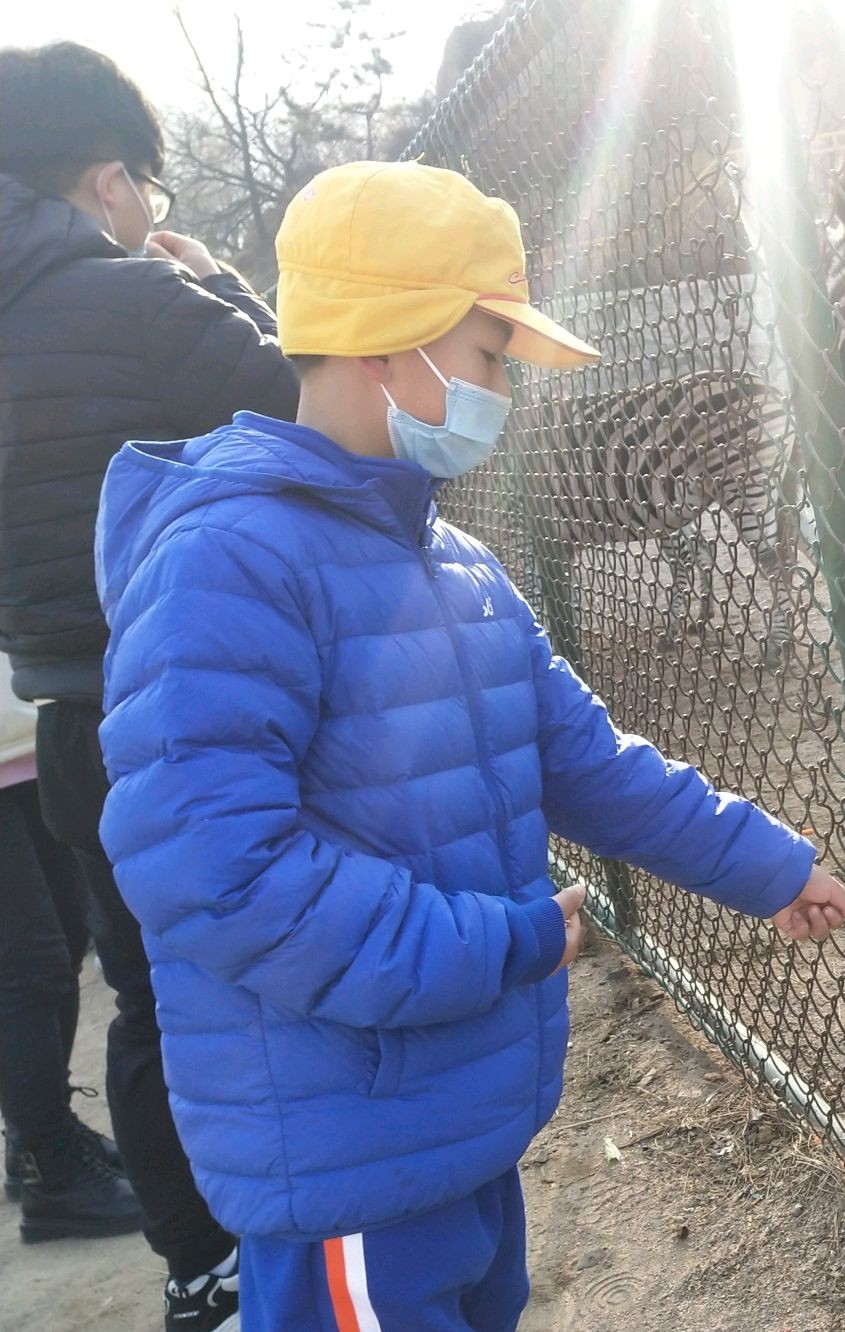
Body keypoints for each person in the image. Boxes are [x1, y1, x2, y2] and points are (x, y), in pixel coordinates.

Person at [92, 158, 845, 1332]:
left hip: (448, 1123)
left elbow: (587, 765)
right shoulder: (226, 564)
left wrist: (770, 868)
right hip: (344, 1153)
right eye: (492, 354)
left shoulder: (454, 567)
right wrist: (496, 946)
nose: (509, 388)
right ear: (387, 347)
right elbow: (217, 873)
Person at [0, 40, 300, 1330]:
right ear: (109, 178)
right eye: (147, 192)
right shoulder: (129, 298)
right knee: (279, 965)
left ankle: (200, 1270)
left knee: (147, 998)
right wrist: (216, 278)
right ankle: (307, 1232)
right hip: (209, 703)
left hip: (71, 720)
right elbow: (310, 401)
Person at [0, 655, 144, 1242]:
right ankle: (48, 1166)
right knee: (24, 968)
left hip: (20, 727)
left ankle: (36, 1129)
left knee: (64, 938)